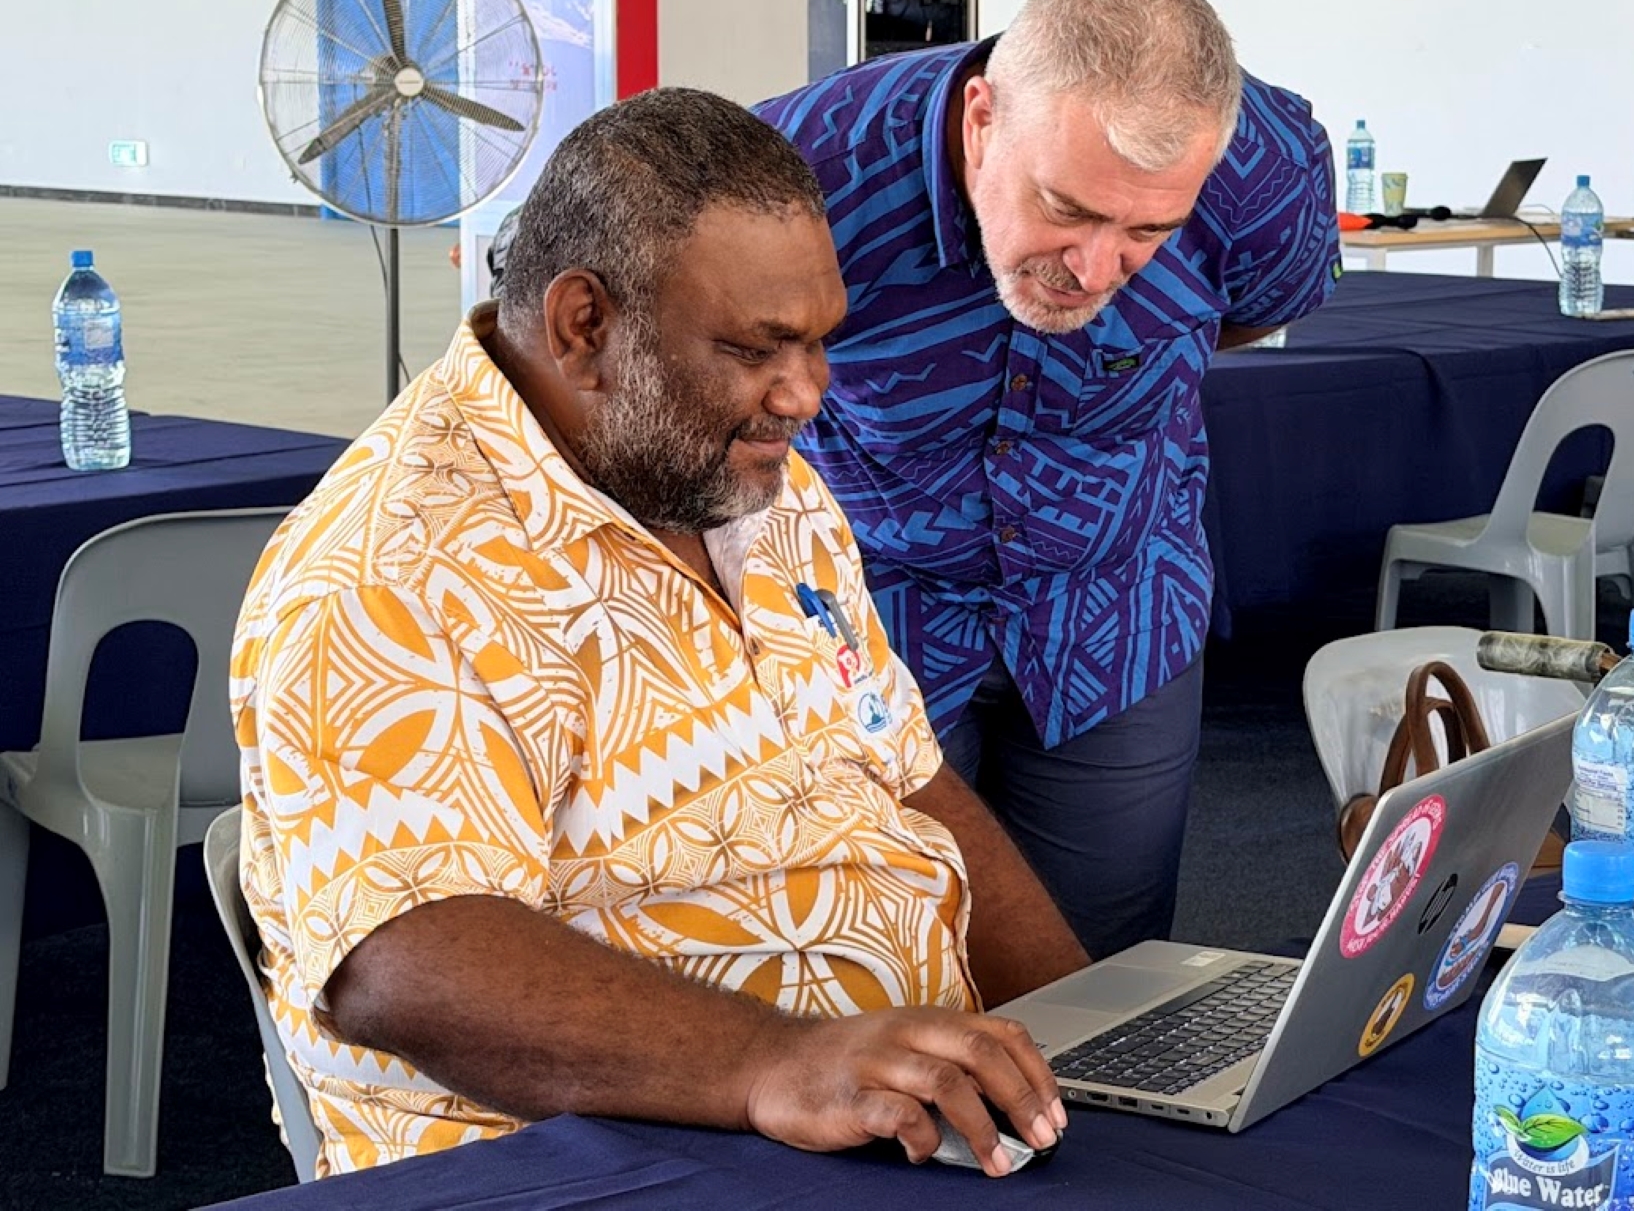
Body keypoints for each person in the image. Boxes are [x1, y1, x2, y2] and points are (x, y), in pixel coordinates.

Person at [233, 88, 1086, 1178]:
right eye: (756, 349)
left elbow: (910, 782)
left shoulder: (761, 493)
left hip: (883, 1114)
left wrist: (1094, 1025)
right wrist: (778, 1066)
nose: (805, 394)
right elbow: (407, 957)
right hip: (598, 1156)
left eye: (822, 343)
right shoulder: (390, 566)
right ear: (584, 325)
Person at [757, 0, 1341, 960]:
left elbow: (1255, 311)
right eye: (1066, 209)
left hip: (1114, 606)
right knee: (879, 965)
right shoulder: (796, 175)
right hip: (867, 610)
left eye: (1149, 230)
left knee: (1099, 975)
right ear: (982, 120)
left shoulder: (1267, 171)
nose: (1094, 270)